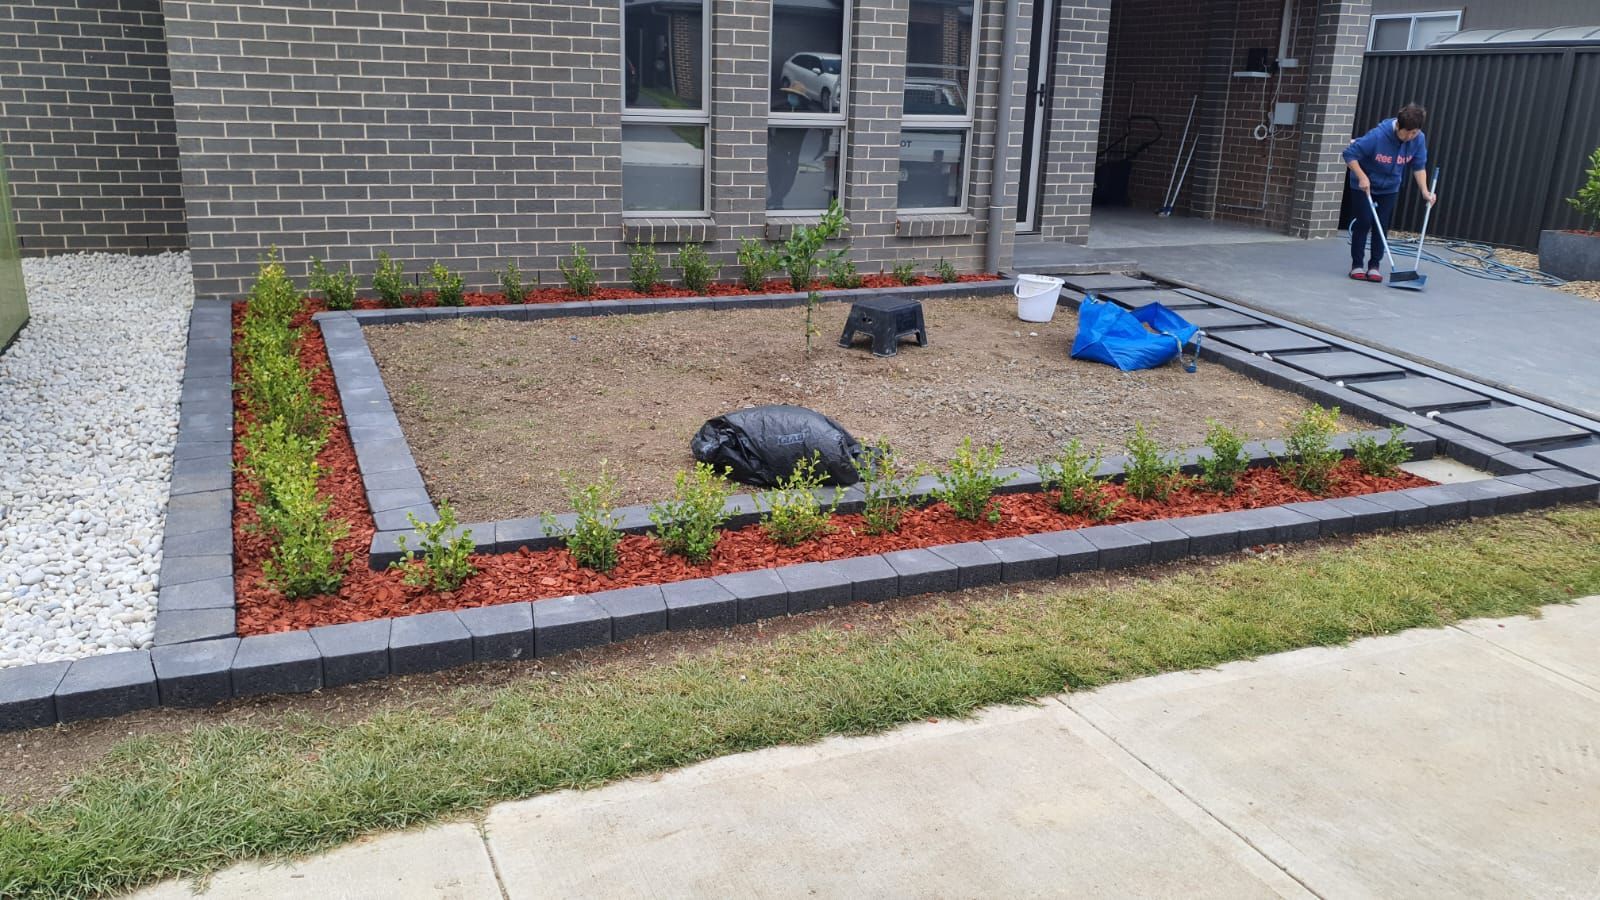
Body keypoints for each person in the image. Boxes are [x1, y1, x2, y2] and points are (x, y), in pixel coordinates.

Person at [1342, 103, 1437, 282]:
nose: (1410, 136)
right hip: (1365, 184)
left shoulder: (1418, 139)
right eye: (1407, 132)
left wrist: (1425, 191)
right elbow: (1349, 154)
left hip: (1390, 187)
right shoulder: (1377, 136)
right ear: (1398, 126)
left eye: (1414, 132)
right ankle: (1357, 265)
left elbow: (1418, 166)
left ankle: (1374, 266)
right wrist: (1362, 177)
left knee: (1381, 225)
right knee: (1364, 222)